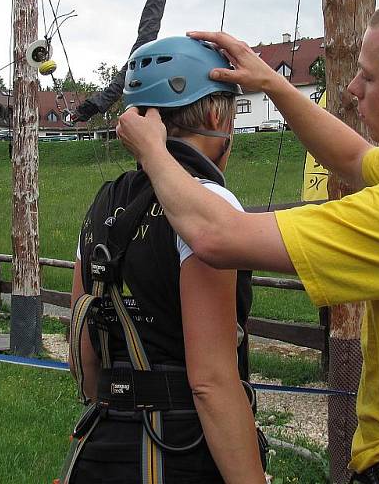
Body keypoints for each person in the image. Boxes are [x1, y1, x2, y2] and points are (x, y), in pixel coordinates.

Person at [116, 0, 379, 483]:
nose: (351, 90)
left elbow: (216, 234)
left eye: (368, 78)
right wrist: (272, 83)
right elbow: (352, 157)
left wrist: (153, 151)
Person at [66, 36, 266, 484]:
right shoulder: (209, 203)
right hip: (178, 446)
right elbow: (211, 382)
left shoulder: (104, 204)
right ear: (217, 115)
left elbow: (83, 345)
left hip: (102, 443)